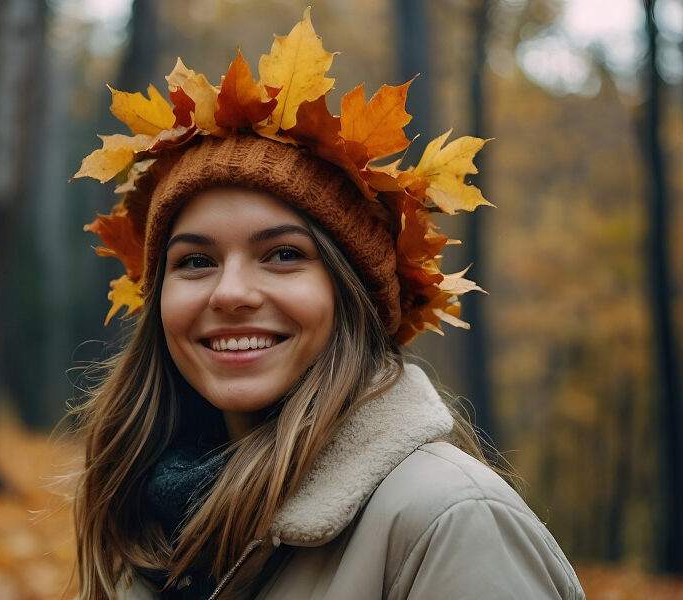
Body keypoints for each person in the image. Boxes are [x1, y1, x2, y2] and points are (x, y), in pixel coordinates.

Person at [70, 10, 584, 600]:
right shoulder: (146, 520)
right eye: (195, 261)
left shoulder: (451, 522)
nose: (231, 292)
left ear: (352, 295)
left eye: (283, 255)